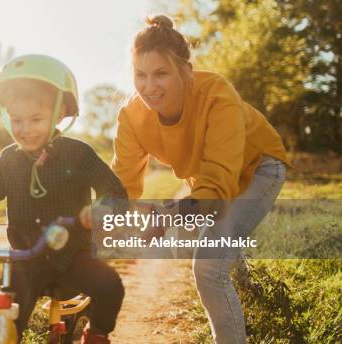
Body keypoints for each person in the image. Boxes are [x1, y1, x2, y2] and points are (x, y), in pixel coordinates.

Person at [112, 14, 291, 344]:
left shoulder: (217, 94)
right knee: (213, 241)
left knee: (209, 268)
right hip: (207, 180)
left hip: (259, 166)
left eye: (161, 74)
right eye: (140, 75)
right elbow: (123, 183)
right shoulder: (132, 116)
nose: (149, 87)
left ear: (185, 71)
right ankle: (251, 289)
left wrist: (166, 216)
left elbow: (216, 190)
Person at [0, 54, 126, 343]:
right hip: (26, 261)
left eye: (36, 119)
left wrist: (100, 210)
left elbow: (115, 192)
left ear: (59, 114)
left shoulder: (79, 154)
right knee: (8, 322)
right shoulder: (10, 160)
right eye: (16, 120)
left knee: (110, 286)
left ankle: (96, 333)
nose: (25, 129)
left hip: (73, 256)